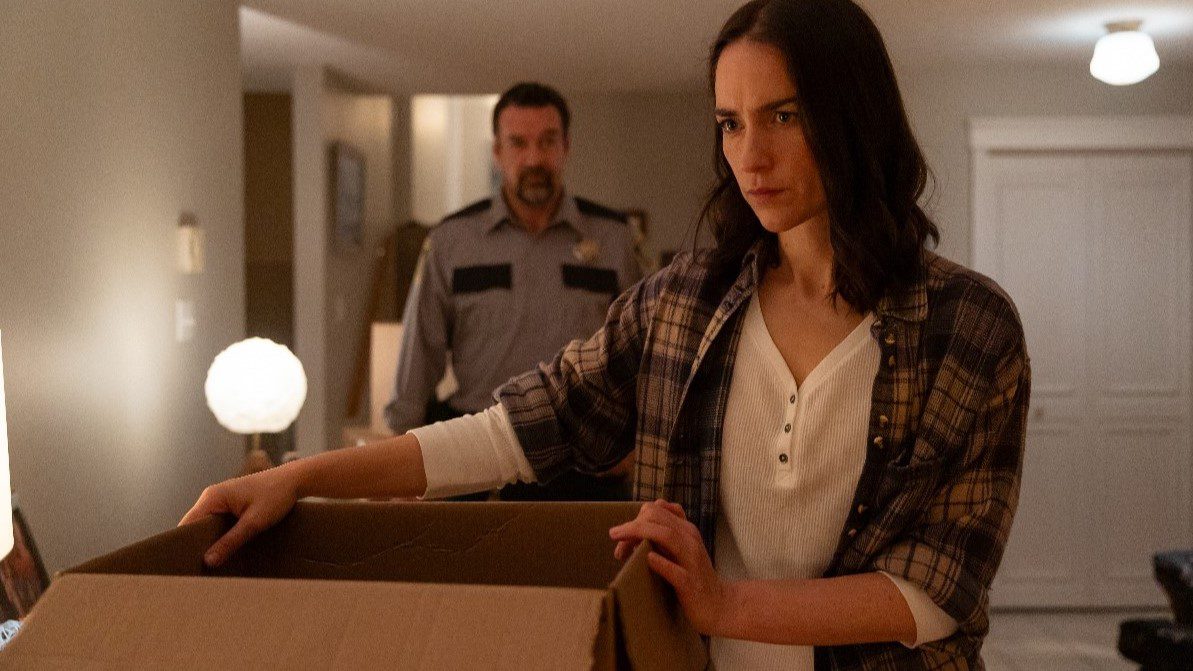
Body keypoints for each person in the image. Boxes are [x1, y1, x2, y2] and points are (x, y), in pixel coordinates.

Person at [182, 1, 1030, 667]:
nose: (749, 155)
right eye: (730, 122)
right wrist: (300, 476)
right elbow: (513, 428)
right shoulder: (683, 302)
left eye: (782, 115)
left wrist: (725, 601)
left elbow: (936, 588)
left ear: (854, 117)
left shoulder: (967, 327)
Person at [384, 81, 641, 502]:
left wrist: (636, 440)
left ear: (566, 147)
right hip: (477, 459)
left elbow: (641, 350)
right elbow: (420, 354)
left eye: (547, 142)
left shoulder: (615, 239)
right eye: (518, 143)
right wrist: (400, 461)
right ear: (497, 151)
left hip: (585, 459)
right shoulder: (451, 241)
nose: (534, 159)